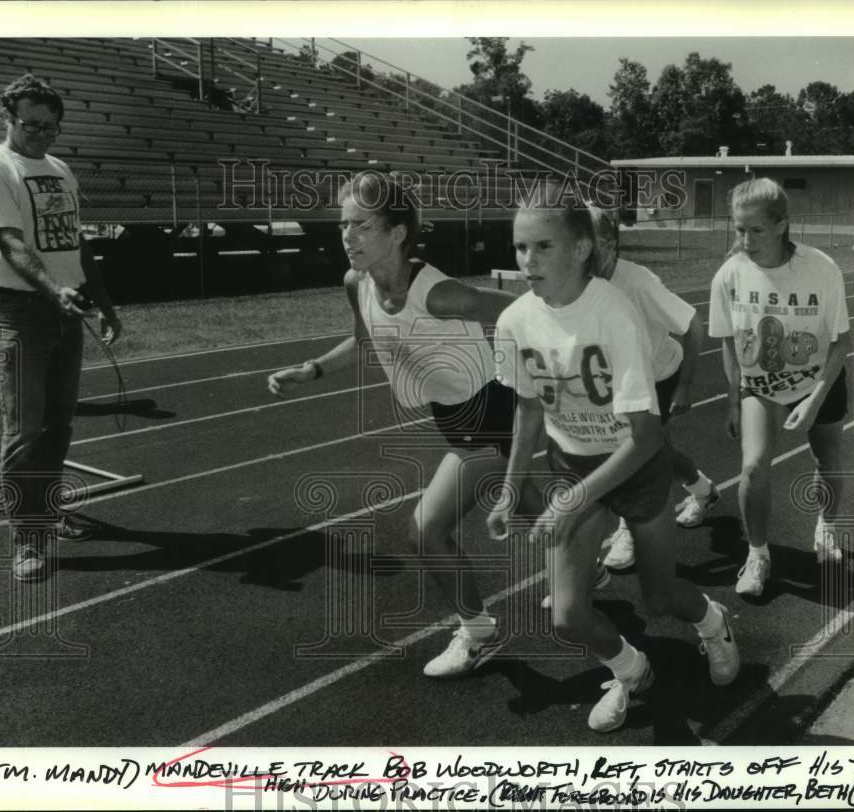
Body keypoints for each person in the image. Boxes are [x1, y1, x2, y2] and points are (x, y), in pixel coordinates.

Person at [268, 171, 553, 678]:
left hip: (491, 412)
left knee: (426, 530)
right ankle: (579, 559)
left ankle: (477, 631)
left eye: (361, 226)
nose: (347, 237)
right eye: (343, 225)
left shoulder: (439, 294)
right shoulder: (356, 284)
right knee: (531, 505)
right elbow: (362, 341)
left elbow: (519, 311)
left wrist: (552, 361)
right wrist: (310, 369)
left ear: (397, 233)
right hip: (453, 416)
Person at [487, 185, 739, 733]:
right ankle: (631, 670)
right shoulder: (513, 322)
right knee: (567, 614)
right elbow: (528, 407)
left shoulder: (614, 312)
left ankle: (715, 624)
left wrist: (574, 497)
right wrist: (511, 488)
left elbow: (647, 438)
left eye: (542, 247)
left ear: (581, 249)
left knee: (660, 597)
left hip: (635, 468)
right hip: (573, 466)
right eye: (520, 247)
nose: (527, 260)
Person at [0, 73, 122, 582]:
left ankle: (48, 513)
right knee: (23, 430)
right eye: (32, 125)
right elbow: (10, 241)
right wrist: (54, 291)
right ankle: (26, 535)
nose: (42, 134)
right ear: (8, 119)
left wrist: (103, 300)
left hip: (64, 309)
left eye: (51, 126)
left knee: (59, 425)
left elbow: (72, 241)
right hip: (15, 312)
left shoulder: (59, 168)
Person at [709, 178, 851, 598]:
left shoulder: (820, 268)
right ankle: (757, 554)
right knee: (753, 467)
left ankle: (827, 524)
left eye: (757, 230)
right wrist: (733, 401)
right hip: (760, 388)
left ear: (782, 224)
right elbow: (729, 342)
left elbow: (842, 342)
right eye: (739, 229)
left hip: (819, 380)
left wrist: (813, 402)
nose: (746, 240)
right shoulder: (730, 274)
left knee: (827, 459)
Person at [587, 205, 720, 572]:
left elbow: (693, 323)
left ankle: (629, 529)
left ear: (611, 243)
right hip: (620, 382)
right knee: (656, 450)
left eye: (590, 242)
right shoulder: (577, 281)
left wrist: (686, 386)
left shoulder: (637, 282)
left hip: (659, 377)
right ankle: (703, 490)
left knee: (635, 455)